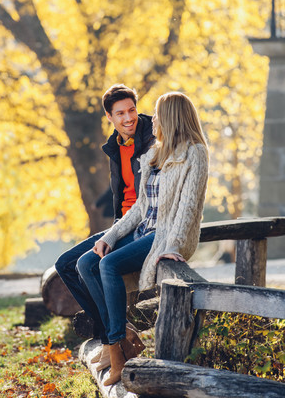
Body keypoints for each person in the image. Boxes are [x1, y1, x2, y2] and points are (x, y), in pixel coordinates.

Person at [76, 91, 209, 385]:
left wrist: (173, 245)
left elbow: (189, 205)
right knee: (87, 263)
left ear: (172, 117)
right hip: (142, 230)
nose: (153, 120)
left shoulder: (195, 152)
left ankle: (116, 352)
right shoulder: (155, 153)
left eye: (159, 115)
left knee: (108, 266)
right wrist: (110, 236)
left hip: (165, 235)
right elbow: (140, 207)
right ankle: (122, 343)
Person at [55, 84, 154, 358]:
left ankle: (114, 340)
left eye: (132, 110)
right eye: (120, 113)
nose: (128, 118)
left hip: (142, 224)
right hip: (121, 223)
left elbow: (147, 201)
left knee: (88, 263)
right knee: (64, 264)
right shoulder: (114, 146)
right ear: (109, 117)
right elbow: (122, 195)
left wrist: (116, 234)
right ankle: (114, 334)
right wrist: (113, 230)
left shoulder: (152, 139)